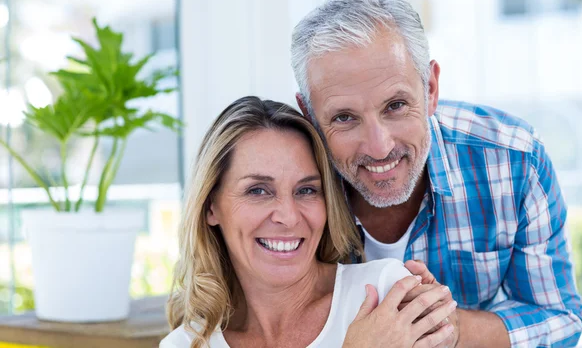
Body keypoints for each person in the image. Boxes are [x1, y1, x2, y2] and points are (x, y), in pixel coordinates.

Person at [291, 0, 582, 347]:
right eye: (344, 117)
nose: (379, 146)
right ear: (309, 114)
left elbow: (560, 319)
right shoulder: (286, 187)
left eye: (396, 105)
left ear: (430, 88)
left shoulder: (514, 159)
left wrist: (453, 329)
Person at [160, 96, 457, 348]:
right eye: (258, 191)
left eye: (306, 190)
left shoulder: (382, 293)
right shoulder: (184, 343)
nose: (288, 217)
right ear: (211, 206)